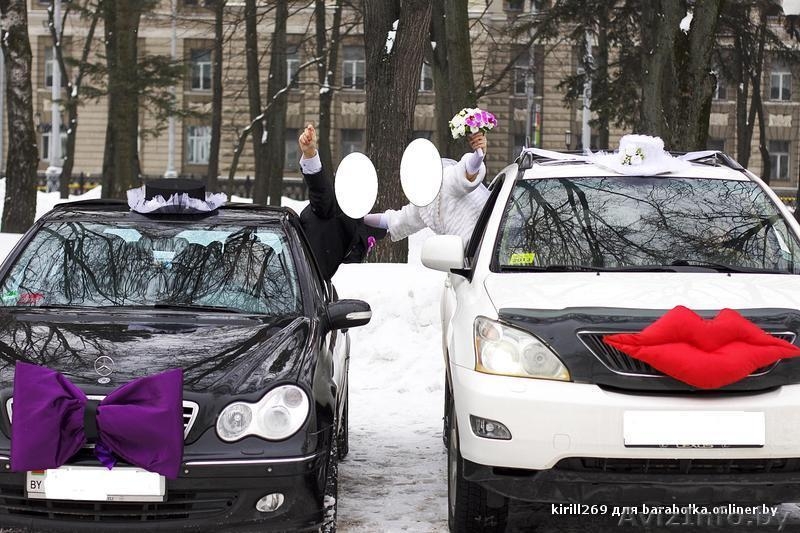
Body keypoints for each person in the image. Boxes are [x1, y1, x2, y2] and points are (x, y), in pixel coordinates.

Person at [363, 133, 489, 249]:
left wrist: (479, 154)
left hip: (488, 242)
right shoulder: (422, 206)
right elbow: (396, 220)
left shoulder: (447, 179)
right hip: (466, 258)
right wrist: (360, 218)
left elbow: (469, 170)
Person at [297, 124, 386, 281]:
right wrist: (310, 155)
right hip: (306, 286)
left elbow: (392, 224)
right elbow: (320, 191)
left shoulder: (363, 221)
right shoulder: (330, 207)